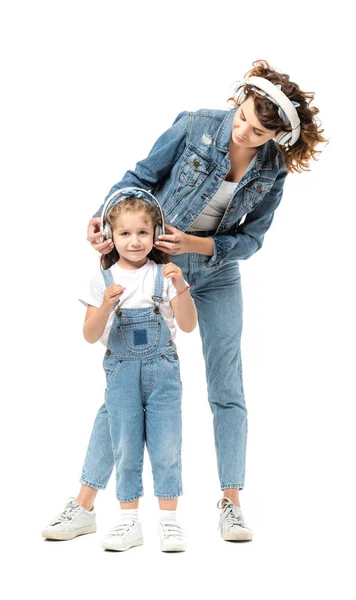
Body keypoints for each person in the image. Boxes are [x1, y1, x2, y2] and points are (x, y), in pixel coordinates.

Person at [43, 59, 326, 544]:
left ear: (275, 137)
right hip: (148, 264)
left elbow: (253, 238)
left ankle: (231, 505)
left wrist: (198, 246)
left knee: (227, 386)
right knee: (126, 384)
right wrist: (102, 215)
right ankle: (85, 505)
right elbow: (140, 177)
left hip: (214, 272)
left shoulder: (273, 169)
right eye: (241, 118)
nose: (243, 132)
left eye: (257, 132)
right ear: (239, 100)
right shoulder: (194, 125)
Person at [43, 191, 197, 552]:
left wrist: (181, 287)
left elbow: (188, 326)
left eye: (143, 232)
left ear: (156, 232)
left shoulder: (165, 274)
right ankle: (129, 522)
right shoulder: (103, 279)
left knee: (167, 445)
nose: (134, 241)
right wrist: (106, 306)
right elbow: (89, 335)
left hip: (163, 372)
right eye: (125, 234)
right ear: (110, 236)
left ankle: (170, 523)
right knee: (125, 445)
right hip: (121, 372)